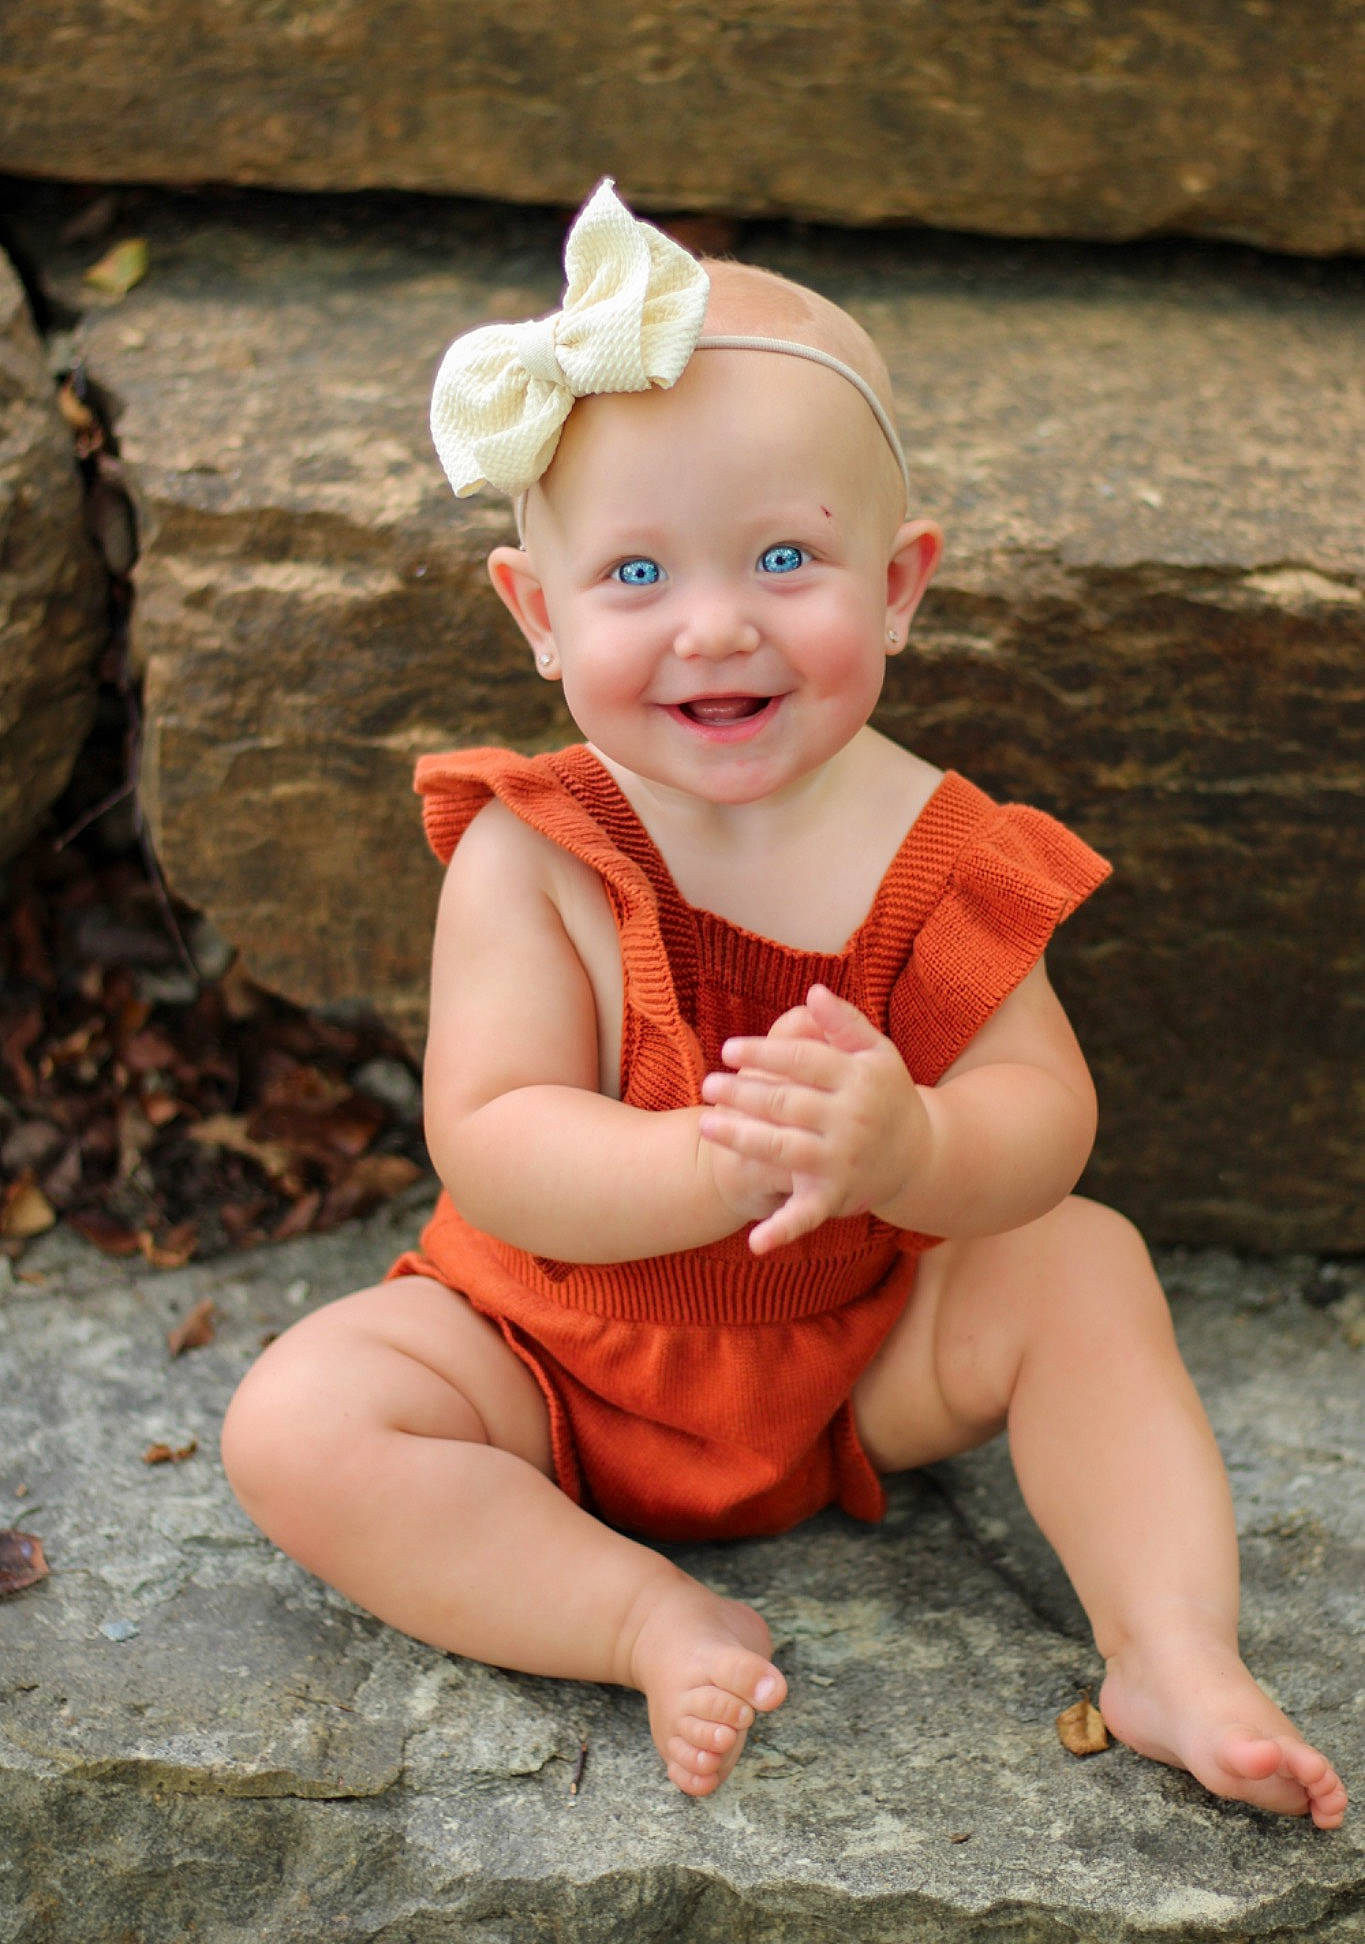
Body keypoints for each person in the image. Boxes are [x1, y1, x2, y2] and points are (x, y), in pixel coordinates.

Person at [221, 181, 1347, 1829]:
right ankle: (636, 1616)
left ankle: (1168, 1650)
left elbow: (1044, 1118)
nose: (716, 622)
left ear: (896, 584)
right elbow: (494, 1136)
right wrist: (711, 1162)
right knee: (302, 1421)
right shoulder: (539, 849)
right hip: (544, 1363)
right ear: (537, 615)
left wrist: (913, 1148)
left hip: (853, 1357)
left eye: (781, 556)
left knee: (1082, 1260)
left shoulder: (944, 851)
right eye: (633, 571)